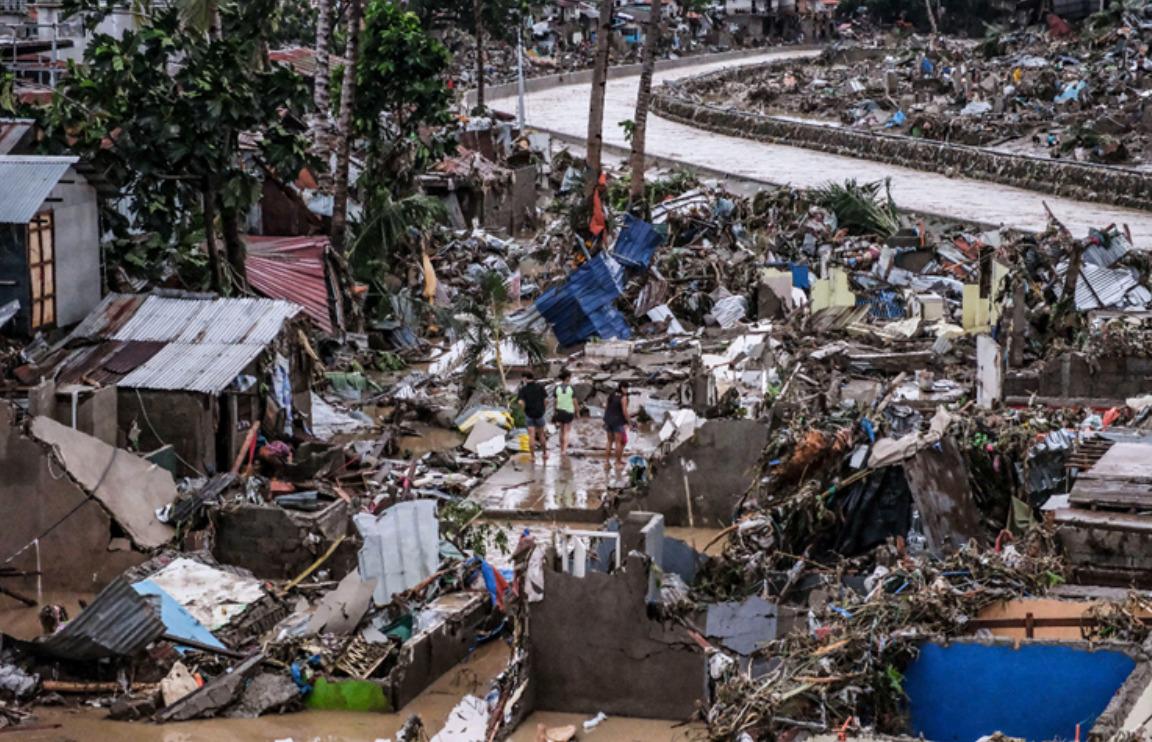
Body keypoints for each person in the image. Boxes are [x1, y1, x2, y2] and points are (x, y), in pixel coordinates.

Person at [516, 370, 548, 461]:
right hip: (539, 414)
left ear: (525, 378)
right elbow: (546, 401)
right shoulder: (540, 387)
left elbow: (520, 402)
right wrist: (543, 409)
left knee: (531, 435)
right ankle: (544, 454)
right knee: (541, 435)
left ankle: (533, 456)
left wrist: (523, 410)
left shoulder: (523, 390)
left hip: (529, 414)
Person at [603, 381, 633, 469]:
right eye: (627, 388)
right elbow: (624, 411)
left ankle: (607, 462)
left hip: (608, 420)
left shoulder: (611, 395)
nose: (627, 390)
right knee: (618, 442)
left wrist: (604, 419)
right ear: (623, 388)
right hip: (617, 422)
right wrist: (629, 422)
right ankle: (617, 463)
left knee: (609, 441)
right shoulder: (623, 398)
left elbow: (607, 407)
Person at [552, 369, 580, 457]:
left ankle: (561, 449)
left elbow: (555, 401)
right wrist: (577, 411)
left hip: (559, 411)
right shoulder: (571, 388)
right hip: (569, 411)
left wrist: (555, 411)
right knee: (567, 431)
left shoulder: (557, 388)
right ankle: (564, 450)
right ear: (567, 378)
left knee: (561, 430)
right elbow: (574, 401)